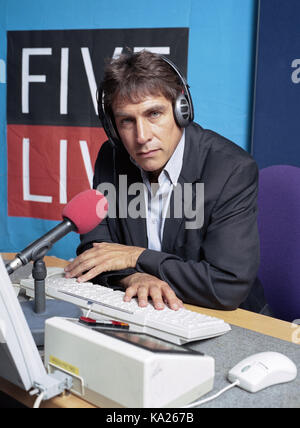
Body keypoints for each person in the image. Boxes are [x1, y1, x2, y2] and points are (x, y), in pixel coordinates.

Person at [65, 50, 266, 313]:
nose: (142, 136)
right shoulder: (111, 157)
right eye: (127, 121)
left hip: (228, 320)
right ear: (113, 127)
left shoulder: (230, 170)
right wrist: (133, 276)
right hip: (146, 310)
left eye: (154, 114)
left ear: (181, 110)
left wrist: (135, 256)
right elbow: (96, 248)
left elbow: (226, 285)